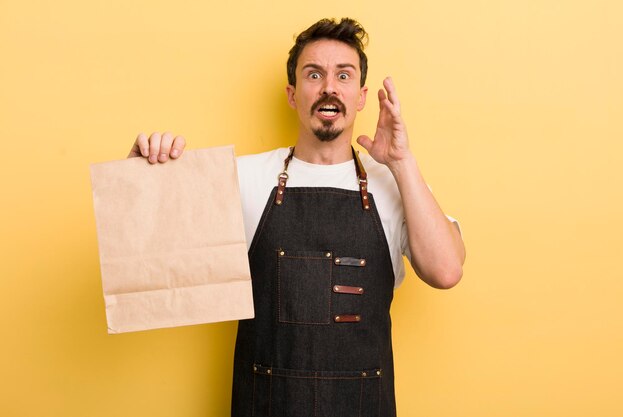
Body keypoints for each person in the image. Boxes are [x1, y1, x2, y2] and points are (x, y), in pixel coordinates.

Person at [129, 17, 465, 417]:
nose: (329, 87)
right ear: (293, 94)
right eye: (314, 74)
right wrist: (142, 176)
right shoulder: (244, 177)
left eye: (344, 75)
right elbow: (150, 258)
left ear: (360, 97)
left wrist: (402, 162)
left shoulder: (395, 186)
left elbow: (446, 271)